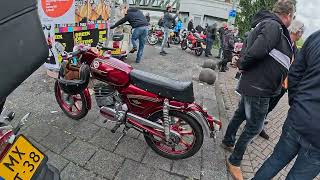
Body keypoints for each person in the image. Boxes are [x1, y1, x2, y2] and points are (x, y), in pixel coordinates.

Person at [221, 1, 295, 179]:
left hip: (255, 84)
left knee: (240, 114)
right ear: (289, 15)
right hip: (259, 87)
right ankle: (235, 160)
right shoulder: (273, 26)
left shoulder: (270, 25)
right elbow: (256, 52)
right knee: (254, 127)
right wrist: (243, 66)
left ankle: (228, 140)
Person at [253, 30, 320, 180]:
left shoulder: (316, 37)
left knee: (275, 161)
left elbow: (295, 72)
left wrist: (296, 103)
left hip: (298, 117)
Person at [259, 19, 305, 140]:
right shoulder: (283, 40)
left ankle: (259, 125)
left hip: (284, 86)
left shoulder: (295, 48)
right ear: (297, 31)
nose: (302, 35)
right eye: (302, 32)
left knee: (270, 107)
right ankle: (255, 126)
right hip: (274, 82)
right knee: (263, 106)